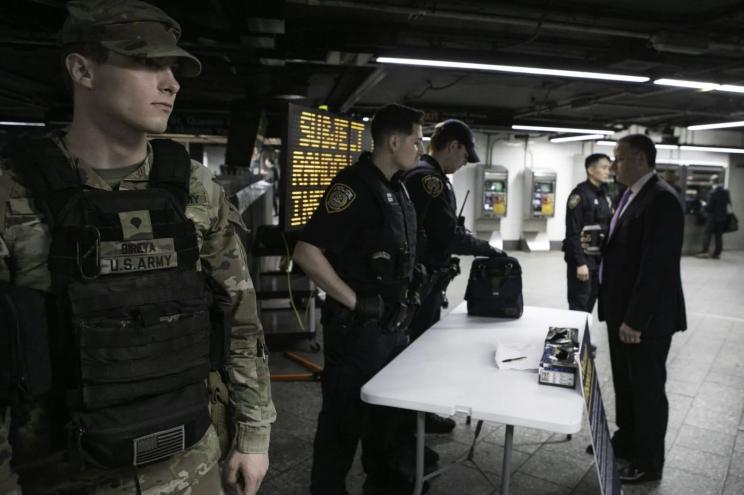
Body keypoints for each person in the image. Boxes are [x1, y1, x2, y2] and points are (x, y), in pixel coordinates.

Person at [0, 2, 275, 494]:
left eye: (172, 68)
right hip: (63, 477)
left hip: (192, 466)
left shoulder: (196, 188)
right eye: (149, 64)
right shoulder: (12, 193)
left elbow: (240, 317)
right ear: (82, 69)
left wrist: (253, 435)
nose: (171, 83)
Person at [293, 103, 424, 495]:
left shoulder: (395, 186)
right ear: (394, 140)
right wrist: (355, 301)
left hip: (391, 329)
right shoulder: (353, 186)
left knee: (384, 424)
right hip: (358, 334)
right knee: (341, 425)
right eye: (417, 141)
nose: (420, 149)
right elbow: (306, 252)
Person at [402, 119, 503, 434]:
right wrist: (490, 249)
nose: (462, 164)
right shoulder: (429, 179)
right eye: (464, 155)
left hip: (417, 279)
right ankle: (414, 422)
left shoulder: (420, 173)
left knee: (415, 347)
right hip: (422, 280)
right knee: (419, 350)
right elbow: (448, 238)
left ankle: (414, 419)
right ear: (454, 146)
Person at [598, 134, 686, 484]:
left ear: (638, 158)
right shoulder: (631, 193)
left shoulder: (662, 200)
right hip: (621, 309)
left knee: (647, 389)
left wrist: (635, 319)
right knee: (625, 382)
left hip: (644, 319)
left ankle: (648, 462)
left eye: (618, 158)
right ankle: (627, 440)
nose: (613, 164)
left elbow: (657, 266)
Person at [562, 153, 612, 313]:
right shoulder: (579, 195)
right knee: (578, 306)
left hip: (598, 260)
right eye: (603, 168)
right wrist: (580, 263)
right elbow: (572, 232)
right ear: (591, 170)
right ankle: (562, 339)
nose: (607, 172)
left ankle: (583, 339)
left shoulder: (604, 194)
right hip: (583, 260)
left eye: (608, 168)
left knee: (589, 305)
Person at [697, 174, 732, 259]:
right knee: (718, 236)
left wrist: (703, 204)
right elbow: (729, 204)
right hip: (722, 218)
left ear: (712, 181)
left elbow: (709, 207)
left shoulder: (712, 193)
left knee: (707, 234)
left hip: (712, 218)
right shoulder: (726, 191)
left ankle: (704, 252)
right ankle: (717, 254)